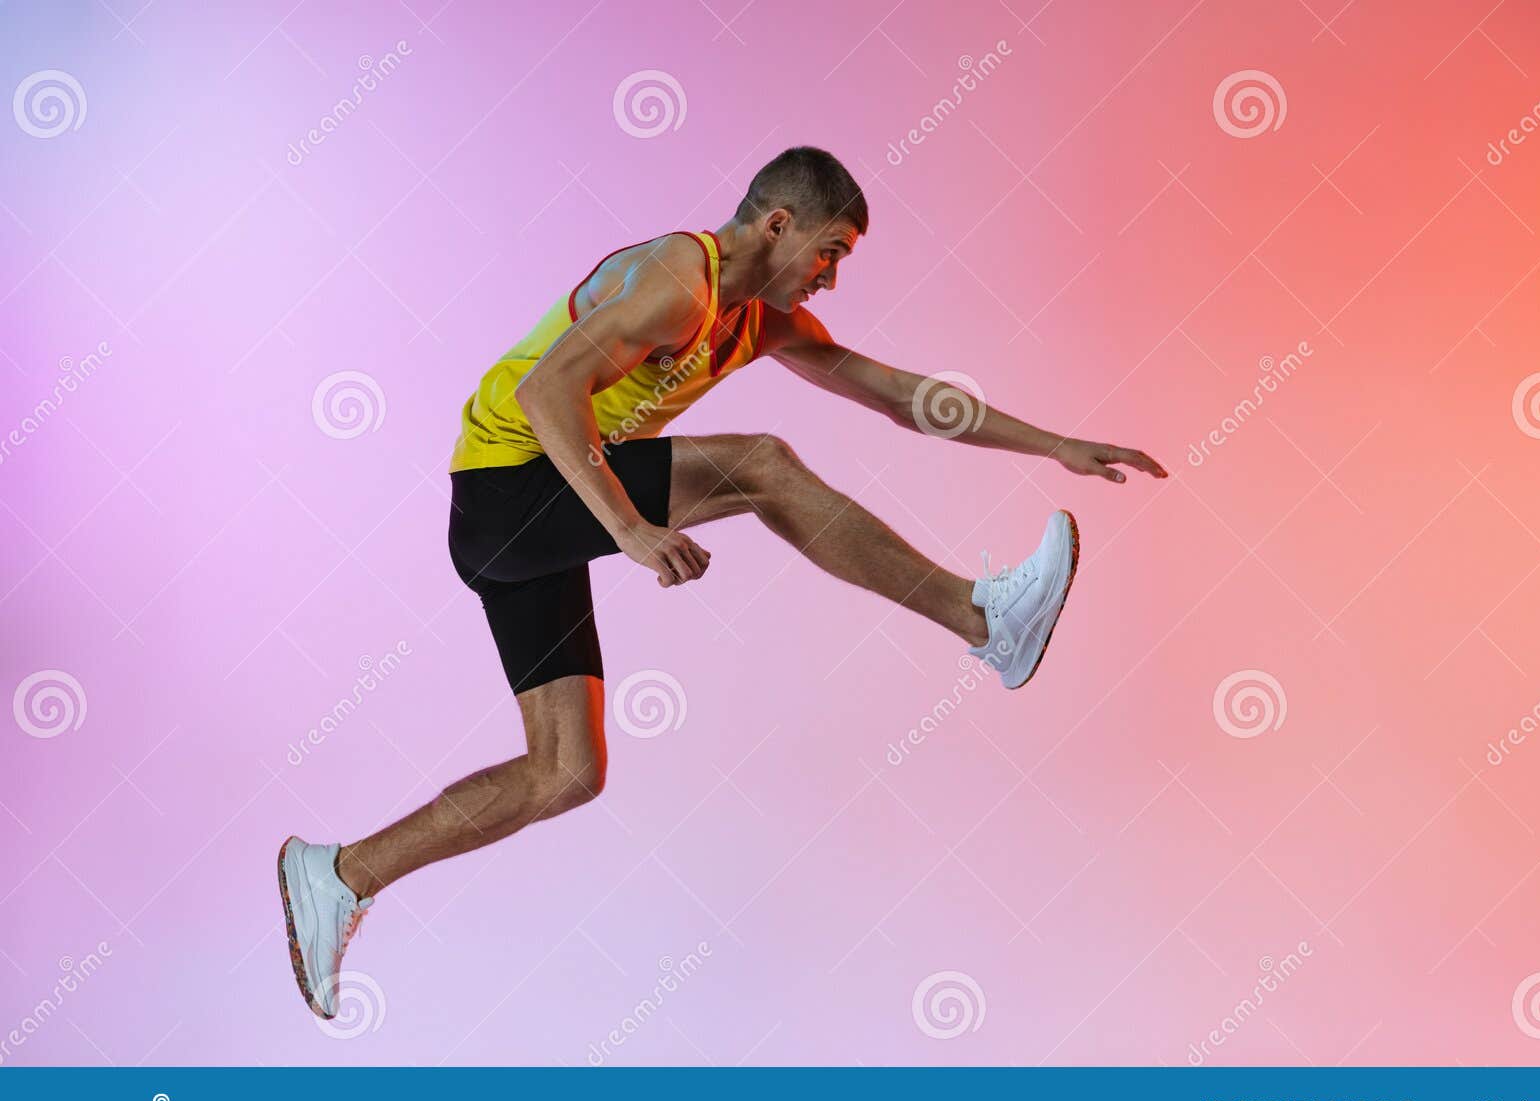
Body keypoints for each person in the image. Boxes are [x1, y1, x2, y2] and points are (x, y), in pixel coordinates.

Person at [277, 145, 1166, 1021]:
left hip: (523, 525)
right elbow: (550, 391)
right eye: (830, 252)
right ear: (778, 224)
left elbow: (899, 394)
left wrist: (1054, 444)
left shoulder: (757, 321)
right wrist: (628, 528)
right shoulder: (681, 279)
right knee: (766, 466)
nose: (829, 277)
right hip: (508, 487)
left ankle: (340, 873)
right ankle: (983, 619)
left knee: (568, 772)